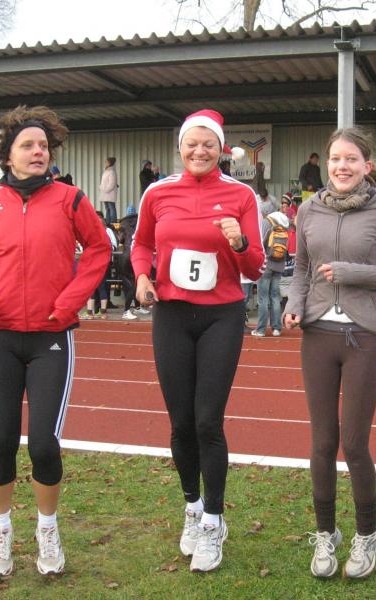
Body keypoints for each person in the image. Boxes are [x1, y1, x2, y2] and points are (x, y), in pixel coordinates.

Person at [0, 105, 112, 577]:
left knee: (43, 444)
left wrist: (69, 302)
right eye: (28, 145)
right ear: (9, 156)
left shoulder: (71, 200)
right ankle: (0, 531)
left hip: (50, 339)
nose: (38, 151)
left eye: (43, 145)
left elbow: (99, 249)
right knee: (1, 441)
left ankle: (47, 529)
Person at [130, 109, 265, 573]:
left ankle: (213, 519)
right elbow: (141, 244)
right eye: (192, 144)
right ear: (180, 147)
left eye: (209, 144)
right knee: (180, 423)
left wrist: (239, 243)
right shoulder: (158, 192)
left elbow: (255, 267)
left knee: (208, 422)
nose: (200, 151)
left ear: (222, 149)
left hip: (220, 317)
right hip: (171, 315)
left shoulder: (241, 195)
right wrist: (142, 277)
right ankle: (191, 506)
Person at [283, 126, 376, 579]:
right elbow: (301, 269)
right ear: (326, 163)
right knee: (321, 443)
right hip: (317, 333)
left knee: (354, 444)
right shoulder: (309, 210)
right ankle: (325, 533)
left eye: (351, 159)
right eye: (336, 158)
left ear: (366, 166)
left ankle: (367, 533)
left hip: (364, 336)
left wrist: (351, 272)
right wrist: (294, 306)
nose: (342, 166)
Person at [251, 210, 289, 337]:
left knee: (263, 298)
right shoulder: (285, 224)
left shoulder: (266, 222)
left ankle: (261, 330)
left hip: (266, 265)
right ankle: (276, 328)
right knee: (275, 297)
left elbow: (260, 243)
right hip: (279, 265)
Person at [82, 211, 117, 319]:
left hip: (93, 264)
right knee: (102, 287)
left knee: (91, 288)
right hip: (102, 263)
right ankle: (103, 313)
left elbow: (86, 248)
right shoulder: (106, 235)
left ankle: (90, 313)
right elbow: (110, 247)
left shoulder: (91, 234)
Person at [98, 156, 118, 225]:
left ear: (110, 163)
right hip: (105, 193)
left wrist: (104, 189)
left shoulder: (112, 172)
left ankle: (113, 222)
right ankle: (108, 222)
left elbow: (112, 184)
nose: (105, 163)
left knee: (111, 207)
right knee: (107, 208)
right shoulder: (106, 171)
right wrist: (101, 187)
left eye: (106, 162)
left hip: (109, 193)